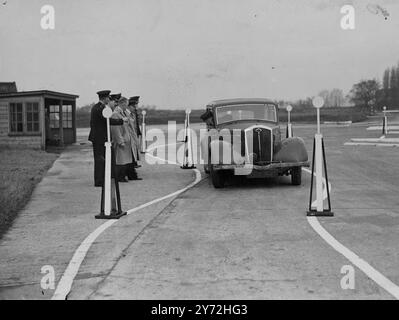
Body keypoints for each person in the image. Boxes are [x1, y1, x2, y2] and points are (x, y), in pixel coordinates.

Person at [88, 90, 126, 187]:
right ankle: (99, 181)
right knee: (100, 160)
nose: (109, 99)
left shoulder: (99, 107)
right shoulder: (99, 109)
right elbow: (107, 120)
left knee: (103, 159)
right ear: (104, 98)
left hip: (101, 137)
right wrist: (121, 120)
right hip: (99, 138)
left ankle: (103, 179)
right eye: (108, 98)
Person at [110, 97, 141, 182]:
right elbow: (115, 130)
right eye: (126, 105)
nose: (127, 106)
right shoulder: (115, 114)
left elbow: (131, 126)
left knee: (127, 160)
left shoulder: (125, 112)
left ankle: (128, 176)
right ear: (122, 104)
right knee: (121, 160)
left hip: (128, 140)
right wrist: (120, 141)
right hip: (122, 140)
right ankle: (120, 177)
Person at [125, 97, 142, 179]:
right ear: (129, 106)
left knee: (133, 155)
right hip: (129, 137)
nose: (135, 108)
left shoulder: (133, 114)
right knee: (131, 156)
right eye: (134, 106)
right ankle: (131, 174)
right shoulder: (127, 114)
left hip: (133, 136)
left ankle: (132, 173)